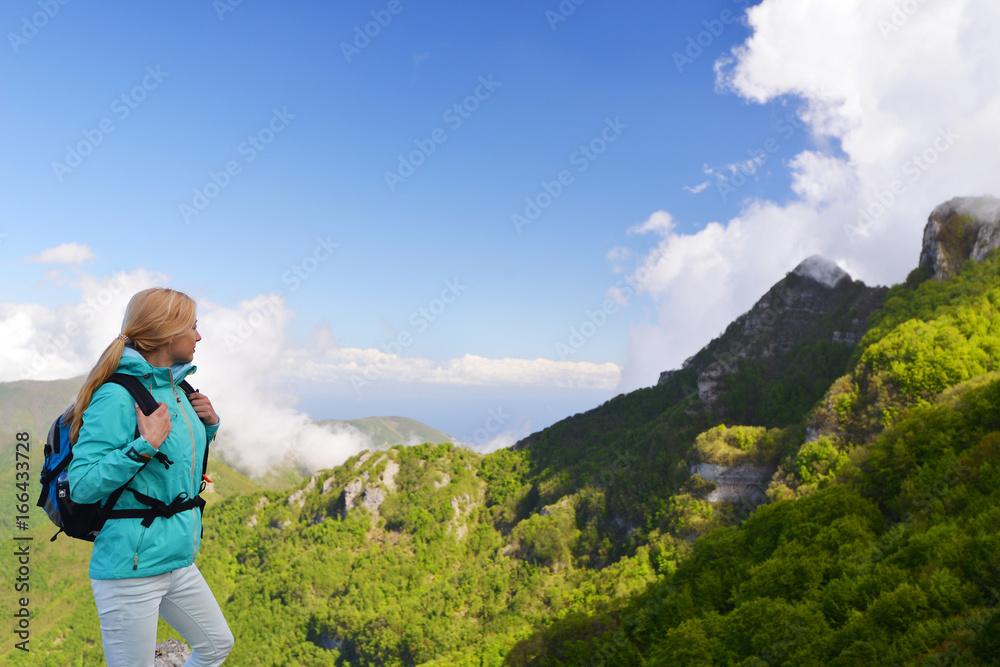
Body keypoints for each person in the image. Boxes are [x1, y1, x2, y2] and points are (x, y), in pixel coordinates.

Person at [67, 287, 234, 667]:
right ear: (167, 332)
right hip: (131, 569)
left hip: (176, 559)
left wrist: (209, 427)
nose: (199, 336)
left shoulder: (179, 389)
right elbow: (82, 484)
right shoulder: (116, 396)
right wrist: (142, 446)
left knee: (216, 645)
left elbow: (174, 466)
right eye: (193, 326)